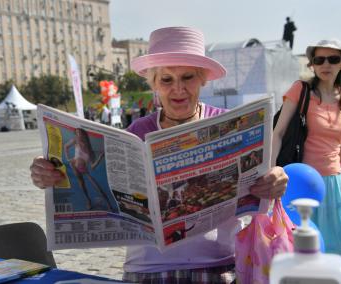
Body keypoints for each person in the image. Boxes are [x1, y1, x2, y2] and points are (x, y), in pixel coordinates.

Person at [30, 26, 288, 283]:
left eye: (188, 77)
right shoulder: (136, 132)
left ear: (203, 79)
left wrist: (276, 179)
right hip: (147, 270)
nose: (178, 89)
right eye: (166, 80)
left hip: (219, 267)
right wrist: (48, 174)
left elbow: (264, 180)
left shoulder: (230, 125)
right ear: (154, 83)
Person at [272, 39, 341, 284]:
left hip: (336, 184)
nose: (325, 64)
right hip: (304, 184)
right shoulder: (301, 90)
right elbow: (278, 133)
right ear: (312, 65)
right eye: (319, 60)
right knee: (306, 248)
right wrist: (272, 171)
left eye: (332, 59)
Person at [63, 128, 114, 211]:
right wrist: (68, 158)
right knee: (82, 185)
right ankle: (88, 201)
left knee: (97, 188)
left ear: (84, 135)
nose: (78, 135)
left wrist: (100, 158)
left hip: (84, 169)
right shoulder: (75, 140)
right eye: (76, 133)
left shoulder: (90, 151)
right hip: (74, 166)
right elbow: (66, 146)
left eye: (80, 133)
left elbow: (92, 167)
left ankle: (109, 205)